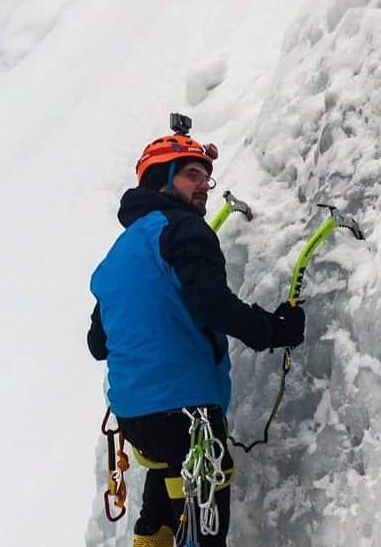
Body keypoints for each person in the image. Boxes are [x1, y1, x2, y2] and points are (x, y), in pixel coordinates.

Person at [87, 133, 305, 547]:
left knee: (168, 484)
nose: (204, 184)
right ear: (160, 180)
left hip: (135, 419)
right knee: (205, 530)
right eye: (192, 175)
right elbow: (213, 306)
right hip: (189, 415)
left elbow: (98, 344)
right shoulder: (185, 230)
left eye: (206, 176)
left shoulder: (117, 253)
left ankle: (152, 534)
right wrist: (278, 329)